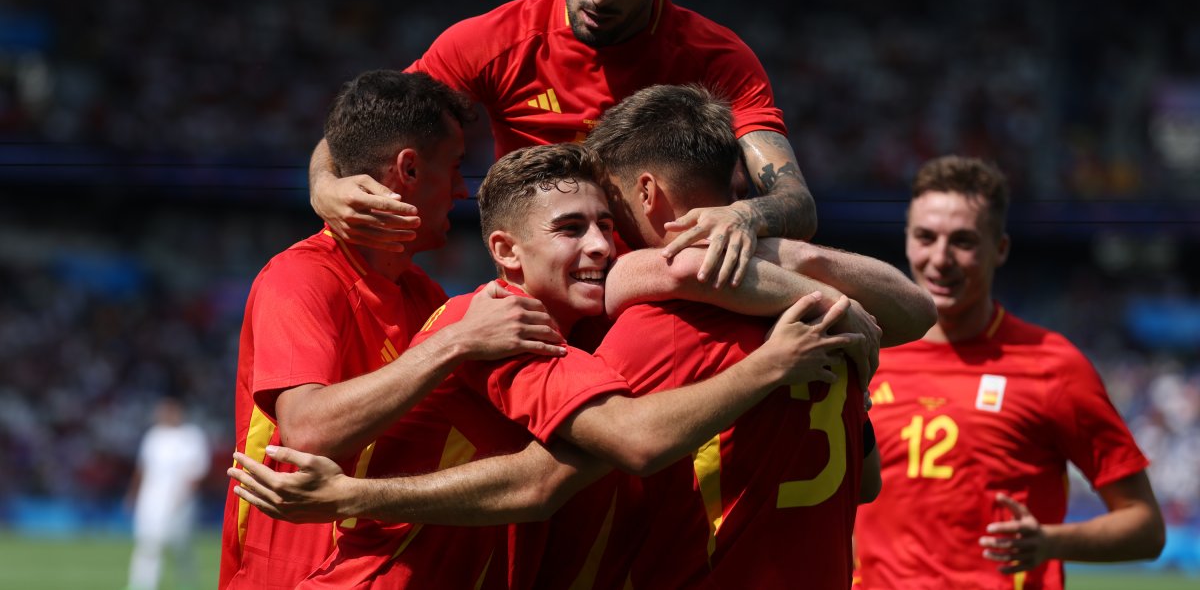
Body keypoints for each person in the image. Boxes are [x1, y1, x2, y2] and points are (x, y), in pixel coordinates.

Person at [231, 88, 936, 589]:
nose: (605, 245)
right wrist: (801, 327)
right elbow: (607, 452)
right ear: (507, 251)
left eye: (609, 220)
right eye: (574, 229)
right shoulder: (504, 325)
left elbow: (548, 478)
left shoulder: (630, 332)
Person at [308, 0, 816, 288]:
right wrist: (323, 185)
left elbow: (795, 203)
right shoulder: (495, 42)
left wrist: (745, 216)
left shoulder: (717, 60)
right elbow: (371, 124)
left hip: (672, 304)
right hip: (541, 310)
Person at [219, 70, 569, 590]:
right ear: (408, 169)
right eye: (453, 168)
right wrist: (456, 342)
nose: (460, 190)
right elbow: (310, 430)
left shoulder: (425, 296)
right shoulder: (300, 276)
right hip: (287, 578)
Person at [854, 156, 1166, 589]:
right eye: (926, 237)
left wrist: (1050, 542)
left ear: (999, 249)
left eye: (963, 241)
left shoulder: (1054, 365)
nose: (940, 258)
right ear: (906, 239)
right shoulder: (865, 353)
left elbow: (1146, 526)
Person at [125, 397, 211, 590]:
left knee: (180, 544)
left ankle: (188, 582)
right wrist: (133, 494)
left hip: (180, 500)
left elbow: (197, 470)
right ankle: (142, 584)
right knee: (148, 541)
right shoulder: (153, 436)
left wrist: (184, 496)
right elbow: (142, 468)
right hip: (151, 499)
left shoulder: (192, 436)